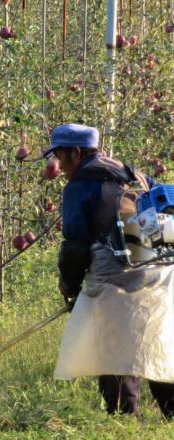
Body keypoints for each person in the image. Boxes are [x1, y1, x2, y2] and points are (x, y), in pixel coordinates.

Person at [44, 123, 174, 418]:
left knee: (115, 349)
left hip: (116, 278)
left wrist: (70, 288)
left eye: (61, 158)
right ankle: (171, 414)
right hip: (158, 273)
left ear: (76, 153)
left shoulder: (79, 186)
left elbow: (75, 247)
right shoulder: (133, 174)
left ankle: (124, 419)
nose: (59, 166)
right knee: (158, 341)